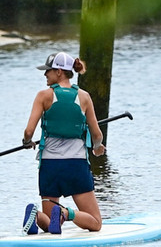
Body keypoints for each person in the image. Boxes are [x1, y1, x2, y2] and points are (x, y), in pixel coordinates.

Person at [21, 52, 107, 234]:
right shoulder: (84, 97)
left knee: (50, 224)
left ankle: (36, 216)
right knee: (96, 223)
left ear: (59, 71)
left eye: (48, 70)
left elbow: (29, 132)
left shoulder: (43, 96)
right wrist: (97, 148)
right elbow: (97, 135)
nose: (45, 74)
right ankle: (66, 213)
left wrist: (27, 142)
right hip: (75, 165)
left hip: (49, 166)